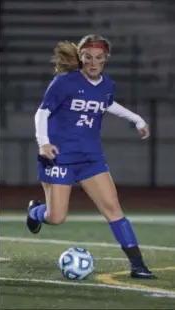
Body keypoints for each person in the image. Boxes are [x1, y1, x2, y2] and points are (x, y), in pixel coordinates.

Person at [26, 34, 156, 279]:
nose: (94, 63)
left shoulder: (107, 85)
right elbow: (41, 113)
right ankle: (35, 212)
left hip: (90, 158)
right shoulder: (64, 82)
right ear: (81, 57)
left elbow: (107, 104)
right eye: (88, 57)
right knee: (56, 218)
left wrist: (137, 119)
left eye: (99, 58)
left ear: (105, 59)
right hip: (58, 157)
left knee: (114, 209)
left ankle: (138, 265)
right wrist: (44, 143)